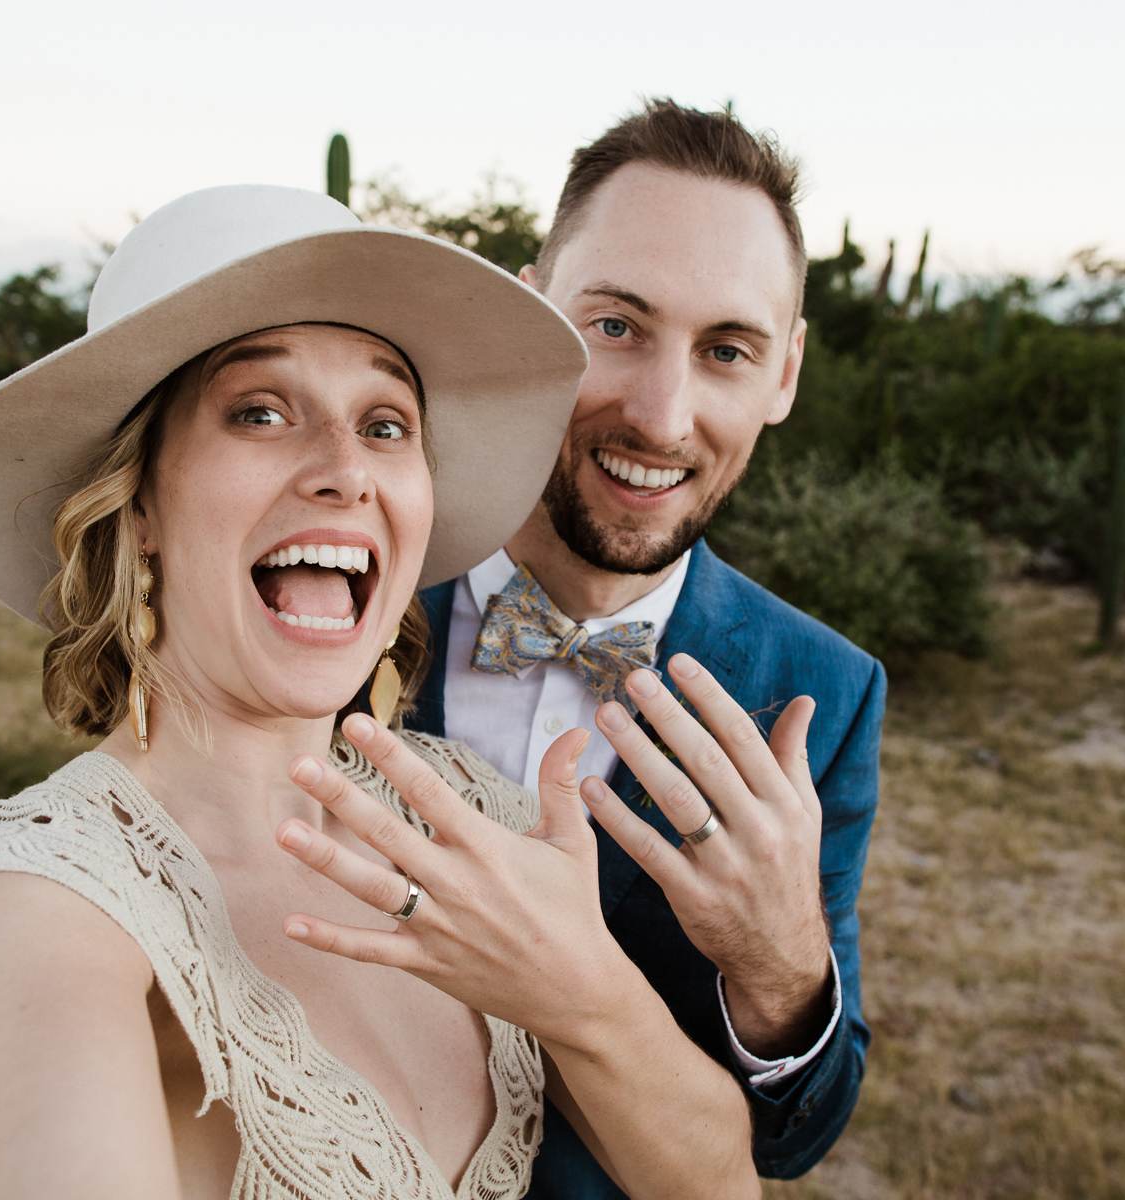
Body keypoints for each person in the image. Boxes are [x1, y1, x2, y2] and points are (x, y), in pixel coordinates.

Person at [0, 185, 761, 1199]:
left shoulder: (478, 816)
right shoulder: (24, 911)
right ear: (138, 510)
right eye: (259, 411)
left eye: (386, 424)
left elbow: (722, 1185)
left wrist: (587, 998)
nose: (347, 471)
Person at [402, 100, 888, 1195]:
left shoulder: (823, 691)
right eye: (615, 327)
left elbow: (797, 1140)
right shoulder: (344, 597)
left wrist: (780, 965)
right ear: (530, 311)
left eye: (727, 350)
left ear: (785, 376)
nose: (663, 418)